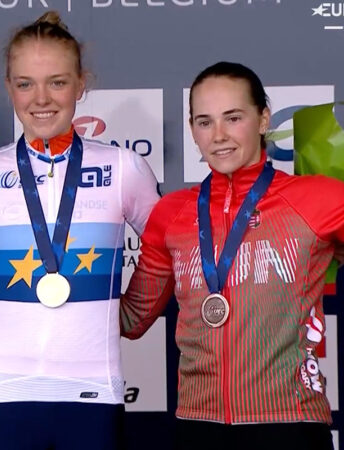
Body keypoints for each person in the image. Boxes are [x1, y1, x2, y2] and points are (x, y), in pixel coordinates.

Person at [0, 11, 159, 450]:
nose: (41, 98)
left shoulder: (123, 168)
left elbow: (172, 251)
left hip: (92, 389)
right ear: (9, 87)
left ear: (81, 84)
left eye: (57, 82)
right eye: (25, 83)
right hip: (3, 391)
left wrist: (130, 313)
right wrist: (1, 304)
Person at [121, 61, 344, 450]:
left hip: (290, 425)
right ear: (192, 130)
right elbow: (133, 318)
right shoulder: (171, 213)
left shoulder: (318, 199)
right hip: (198, 425)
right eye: (204, 122)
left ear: (263, 119)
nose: (219, 135)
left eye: (233, 117)